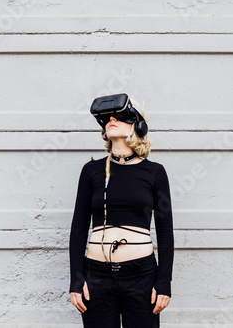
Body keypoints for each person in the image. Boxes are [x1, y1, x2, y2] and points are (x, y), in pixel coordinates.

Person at [68, 97, 173, 327]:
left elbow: (165, 232)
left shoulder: (155, 172)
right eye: (107, 119)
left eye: (120, 117)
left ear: (138, 126)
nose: (112, 120)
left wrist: (164, 283)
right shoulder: (91, 171)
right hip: (96, 276)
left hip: (141, 275)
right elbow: (78, 228)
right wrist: (76, 279)